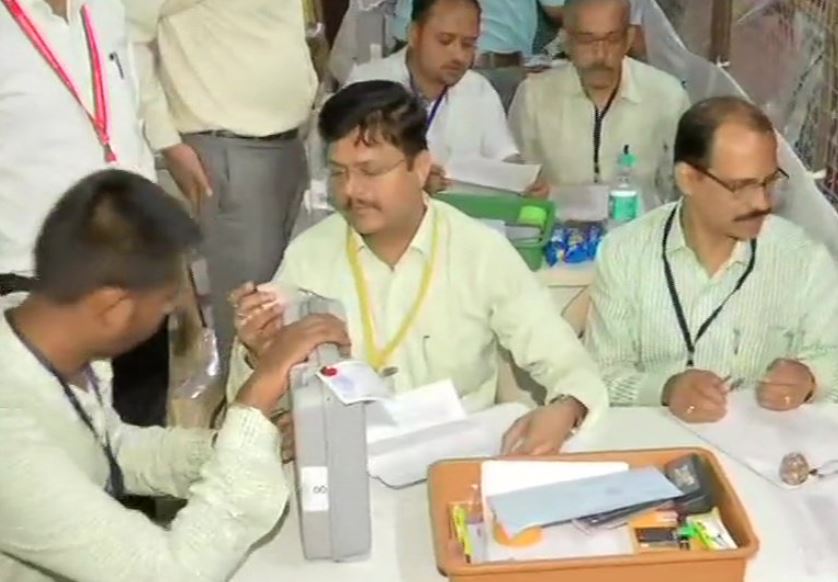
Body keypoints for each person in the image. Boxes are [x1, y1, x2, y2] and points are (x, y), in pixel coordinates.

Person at [0, 169, 349, 582]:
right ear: (113, 308)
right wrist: (259, 392)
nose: (169, 319)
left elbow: (113, 449)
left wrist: (239, 446)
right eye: (166, 306)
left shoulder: (37, 329)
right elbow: (172, 574)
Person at [228, 81, 608, 459]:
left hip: (458, 461)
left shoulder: (479, 251)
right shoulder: (309, 256)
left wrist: (566, 407)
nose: (351, 191)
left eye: (370, 171)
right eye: (339, 173)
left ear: (421, 167)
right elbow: (253, 410)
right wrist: (257, 353)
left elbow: (567, 362)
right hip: (345, 464)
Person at [585, 96, 838, 423]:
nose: (761, 202)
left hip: (763, 453)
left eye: (769, 182)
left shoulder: (805, 259)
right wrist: (664, 389)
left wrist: (810, 379)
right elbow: (599, 375)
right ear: (688, 178)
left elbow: (832, 356)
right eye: (742, 186)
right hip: (658, 444)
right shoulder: (625, 253)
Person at [0, 0, 169, 468]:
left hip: (134, 274)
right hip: (37, 286)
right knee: (60, 469)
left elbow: (126, 135)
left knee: (138, 452)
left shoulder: (106, 9)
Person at [126, 0, 317, 376]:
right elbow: (128, 33)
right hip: (232, 148)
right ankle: (245, 421)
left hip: (289, 146)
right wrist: (165, 138)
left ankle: (276, 419)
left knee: (285, 300)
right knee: (252, 311)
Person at [346, 0, 544, 196]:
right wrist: (409, 182)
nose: (458, 55)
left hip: (465, 221)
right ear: (414, 34)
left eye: (468, 44)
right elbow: (346, 169)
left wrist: (526, 181)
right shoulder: (367, 85)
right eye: (445, 40)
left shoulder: (478, 89)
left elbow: (505, 157)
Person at [509, 0, 690, 209]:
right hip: (556, 234)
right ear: (566, 41)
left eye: (612, 40)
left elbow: (683, 190)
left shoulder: (667, 95)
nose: (600, 55)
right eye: (587, 41)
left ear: (629, 39)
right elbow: (517, 184)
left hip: (641, 234)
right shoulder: (533, 96)